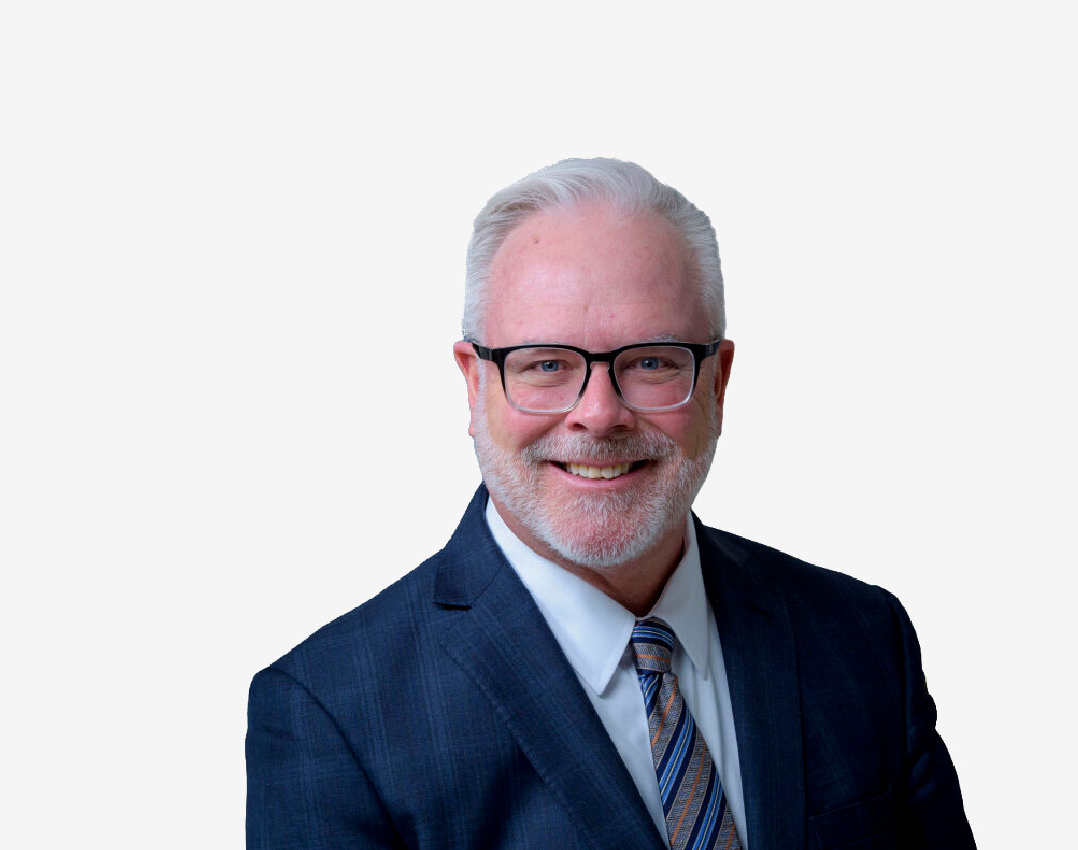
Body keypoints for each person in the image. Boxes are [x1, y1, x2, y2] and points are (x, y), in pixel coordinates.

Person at [245, 158, 974, 849]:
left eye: (651, 361)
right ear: (474, 386)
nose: (599, 413)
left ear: (718, 384)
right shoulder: (330, 715)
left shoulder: (861, 639)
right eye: (547, 365)